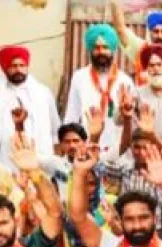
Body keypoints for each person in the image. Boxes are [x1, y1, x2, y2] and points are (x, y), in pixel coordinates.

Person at [0, 45, 61, 172]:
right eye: (13, 66)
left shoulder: (42, 92)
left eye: (22, 65)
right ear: (5, 68)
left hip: (39, 158)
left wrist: (56, 157)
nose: (18, 69)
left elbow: (55, 128)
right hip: (4, 159)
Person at [63, 23, 134, 162]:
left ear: (113, 49)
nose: (101, 52)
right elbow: (72, 116)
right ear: (90, 50)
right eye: (96, 48)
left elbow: (129, 122)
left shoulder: (125, 80)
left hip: (118, 152)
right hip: (87, 150)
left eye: (105, 47)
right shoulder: (79, 77)